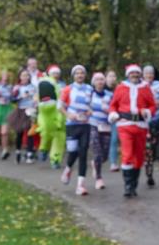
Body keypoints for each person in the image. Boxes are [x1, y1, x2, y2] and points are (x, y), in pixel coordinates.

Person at [109, 64, 156, 197]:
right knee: (127, 154)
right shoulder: (121, 87)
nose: (134, 75)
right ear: (128, 75)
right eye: (132, 73)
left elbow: (153, 105)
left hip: (141, 126)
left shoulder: (145, 88)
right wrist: (113, 114)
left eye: (136, 73)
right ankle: (128, 186)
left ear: (139, 74)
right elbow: (113, 105)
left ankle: (134, 184)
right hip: (125, 125)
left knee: (139, 157)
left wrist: (148, 111)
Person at [62, 65, 93, 195]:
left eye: (82, 73)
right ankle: (68, 168)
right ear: (73, 76)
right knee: (73, 151)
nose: (80, 75)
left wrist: (90, 111)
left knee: (83, 152)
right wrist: (69, 115)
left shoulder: (90, 89)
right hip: (72, 124)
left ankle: (80, 185)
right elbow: (60, 106)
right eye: (77, 73)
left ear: (85, 75)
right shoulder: (67, 89)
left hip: (85, 124)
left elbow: (92, 105)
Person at [88, 72, 114, 190]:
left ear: (105, 81)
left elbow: (115, 109)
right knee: (97, 152)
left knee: (104, 156)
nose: (99, 82)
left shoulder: (110, 95)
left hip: (106, 126)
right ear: (93, 82)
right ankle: (99, 178)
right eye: (97, 79)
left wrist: (108, 110)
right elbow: (84, 107)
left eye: (102, 79)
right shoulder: (90, 94)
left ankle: (95, 163)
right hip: (93, 125)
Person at [7, 70, 37, 165]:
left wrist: (35, 104)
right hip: (20, 111)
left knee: (30, 132)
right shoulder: (17, 87)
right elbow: (12, 99)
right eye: (23, 75)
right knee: (19, 133)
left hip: (30, 111)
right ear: (20, 77)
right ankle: (18, 152)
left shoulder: (33, 87)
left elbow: (37, 98)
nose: (25, 77)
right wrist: (21, 96)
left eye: (27, 75)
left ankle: (29, 154)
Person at [36, 80, 66, 171]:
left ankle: (55, 160)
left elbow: (60, 113)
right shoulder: (41, 105)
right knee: (45, 139)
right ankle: (43, 150)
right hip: (48, 127)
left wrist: (59, 122)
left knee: (58, 143)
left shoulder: (58, 103)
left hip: (58, 129)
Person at [45, 65, 67, 167]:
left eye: (57, 73)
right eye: (54, 73)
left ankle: (55, 159)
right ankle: (44, 149)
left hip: (60, 114)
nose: (56, 75)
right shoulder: (44, 84)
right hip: (47, 113)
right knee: (47, 134)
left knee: (59, 137)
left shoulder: (63, 85)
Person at [105, 70, 121, 172]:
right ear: (106, 78)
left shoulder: (119, 88)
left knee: (114, 139)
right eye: (110, 76)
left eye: (114, 76)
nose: (112, 78)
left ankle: (113, 163)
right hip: (102, 118)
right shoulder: (101, 88)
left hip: (116, 117)